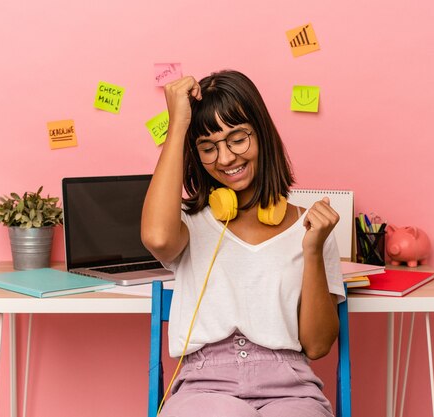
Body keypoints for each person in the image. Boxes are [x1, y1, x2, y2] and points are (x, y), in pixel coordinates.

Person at [141, 70, 345, 417]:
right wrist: (178, 125)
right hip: (204, 386)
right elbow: (157, 238)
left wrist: (312, 249)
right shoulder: (188, 223)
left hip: (291, 389)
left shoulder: (311, 227)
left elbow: (318, 344)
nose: (225, 158)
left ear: (262, 134)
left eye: (237, 139)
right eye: (208, 147)